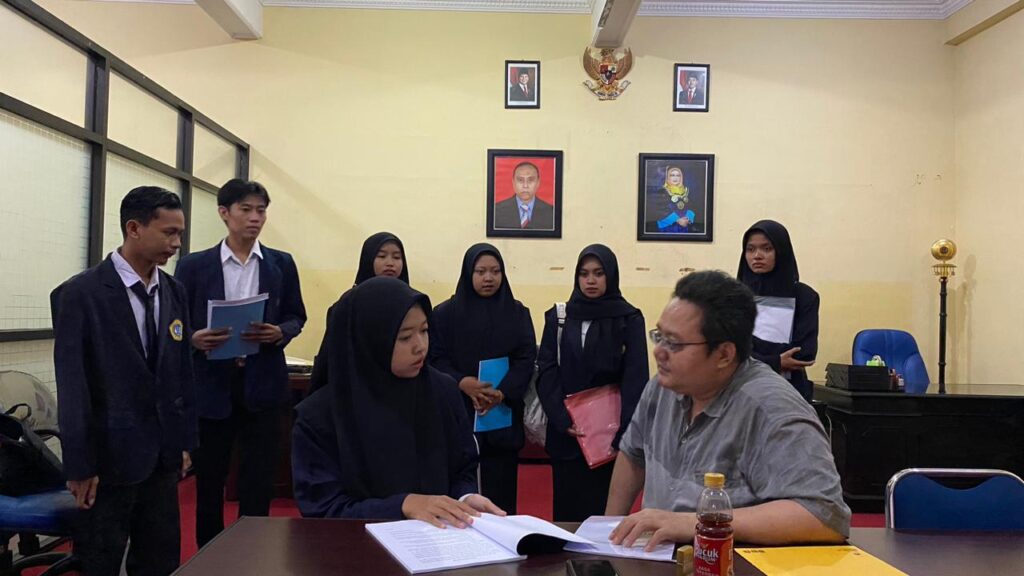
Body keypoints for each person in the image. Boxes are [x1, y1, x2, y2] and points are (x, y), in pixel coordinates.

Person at [605, 270, 850, 550]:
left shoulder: (772, 409)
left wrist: (695, 523)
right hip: (658, 557)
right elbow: (633, 455)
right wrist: (607, 534)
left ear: (724, 354)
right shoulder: (663, 387)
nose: (659, 352)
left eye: (674, 343)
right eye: (659, 336)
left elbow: (825, 516)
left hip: (729, 562)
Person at [51, 186, 196, 576]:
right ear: (134, 228)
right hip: (107, 459)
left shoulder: (174, 291)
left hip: (161, 459)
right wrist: (79, 465)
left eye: (180, 233)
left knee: (160, 561)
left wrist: (183, 441)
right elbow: (73, 386)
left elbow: (181, 372)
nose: (177, 243)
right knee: (100, 562)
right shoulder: (80, 294)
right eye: (168, 232)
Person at [292, 277, 505, 525]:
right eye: (404, 337)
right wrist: (402, 505)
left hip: (440, 539)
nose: (420, 346)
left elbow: (462, 467)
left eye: (424, 331)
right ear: (369, 340)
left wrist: (464, 498)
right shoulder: (320, 415)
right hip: (357, 545)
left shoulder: (442, 391)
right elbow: (323, 509)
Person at [175, 179, 307, 547]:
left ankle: (253, 553)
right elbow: (174, 322)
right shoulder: (193, 266)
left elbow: (297, 315)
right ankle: (209, 554)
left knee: (258, 480)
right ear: (224, 213)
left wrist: (279, 332)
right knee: (210, 480)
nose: (255, 218)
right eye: (246, 210)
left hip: (262, 384)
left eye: (261, 211)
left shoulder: (281, 263)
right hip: (212, 384)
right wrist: (193, 339)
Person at [536, 245, 649, 521]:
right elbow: (547, 370)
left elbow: (635, 378)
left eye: (599, 273)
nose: (590, 281)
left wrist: (625, 432)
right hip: (568, 434)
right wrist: (562, 419)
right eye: (584, 274)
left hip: (608, 437)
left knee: (604, 516)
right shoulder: (559, 317)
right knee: (567, 515)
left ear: (611, 275)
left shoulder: (629, 318)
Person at [428, 244, 536, 514]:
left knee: (502, 497)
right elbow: (435, 359)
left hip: (502, 415)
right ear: (468, 273)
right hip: (460, 411)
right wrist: (461, 382)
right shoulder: (444, 314)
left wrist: (502, 392)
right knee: (461, 492)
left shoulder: (517, 313)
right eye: (481, 271)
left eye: (495, 271)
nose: (489, 278)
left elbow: (525, 358)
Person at [737, 220, 818, 401]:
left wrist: (752, 351)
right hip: (740, 388)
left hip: (788, 390)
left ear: (781, 251)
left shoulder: (804, 296)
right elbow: (726, 351)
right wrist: (776, 361)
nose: (757, 256)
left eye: (767, 249)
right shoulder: (732, 296)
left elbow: (804, 354)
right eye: (750, 249)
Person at [493, 162, 555, 230]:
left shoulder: (552, 212)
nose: (525, 186)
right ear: (513, 182)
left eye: (531, 180)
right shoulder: (496, 211)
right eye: (520, 180)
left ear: (538, 182)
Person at [647, 166, 696, 234]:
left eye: (678, 175)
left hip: (685, 225)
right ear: (667, 177)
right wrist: (677, 220)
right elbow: (658, 210)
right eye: (672, 175)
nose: (675, 178)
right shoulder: (661, 191)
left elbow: (692, 206)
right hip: (668, 227)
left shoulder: (686, 190)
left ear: (681, 177)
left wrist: (688, 218)